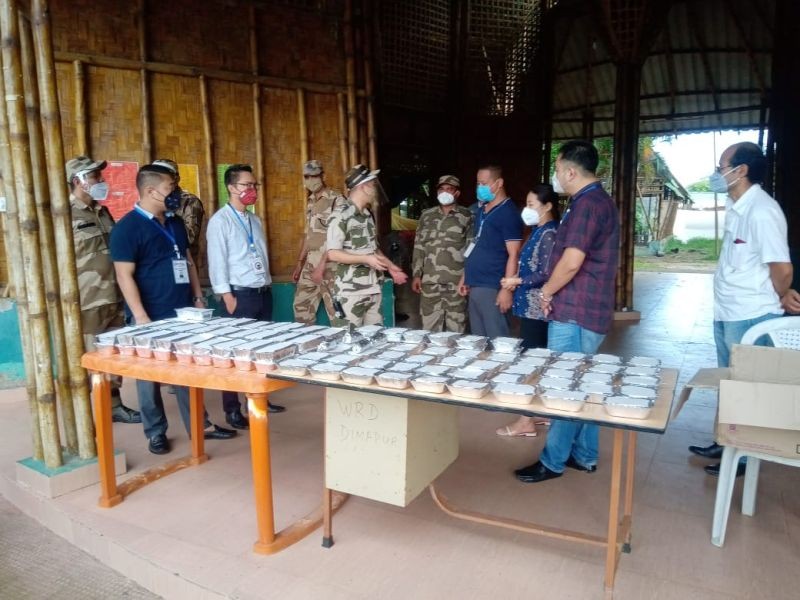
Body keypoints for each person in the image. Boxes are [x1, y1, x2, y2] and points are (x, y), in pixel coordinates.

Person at [110, 163, 236, 455]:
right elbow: (123, 275)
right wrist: (140, 317)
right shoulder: (127, 228)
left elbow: (188, 261)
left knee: (186, 372)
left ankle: (199, 426)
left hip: (183, 314)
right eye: (170, 187)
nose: (176, 192)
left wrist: (197, 297)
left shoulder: (175, 222)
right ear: (151, 191)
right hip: (148, 317)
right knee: (148, 378)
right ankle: (155, 432)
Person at [514, 140, 620, 483]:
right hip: (588, 311)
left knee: (564, 389)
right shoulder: (594, 202)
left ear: (571, 171)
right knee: (584, 384)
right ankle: (585, 455)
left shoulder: (588, 205)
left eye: (558, 170)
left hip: (576, 313)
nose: (556, 177)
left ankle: (553, 461)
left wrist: (546, 291)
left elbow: (572, 262)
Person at [687, 142, 793, 476]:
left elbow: (782, 267)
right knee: (730, 381)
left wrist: (783, 294)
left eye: (721, 167)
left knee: (748, 386)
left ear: (741, 170)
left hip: (751, 314)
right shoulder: (738, 207)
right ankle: (725, 441)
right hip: (729, 311)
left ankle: (744, 455)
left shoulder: (762, 210)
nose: (717, 174)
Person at [206, 164, 285, 427]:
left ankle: (259, 396)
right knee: (234, 352)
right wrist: (226, 296)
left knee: (262, 350)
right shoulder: (221, 221)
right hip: (239, 295)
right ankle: (231, 408)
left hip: (262, 292)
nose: (251, 190)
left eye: (254, 185)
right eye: (246, 185)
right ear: (231, 187)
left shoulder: (254, 219)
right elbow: (217, 261)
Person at [66, 155, 141, 424]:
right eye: (95, 176)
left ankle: (114, 405)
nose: (101, 181)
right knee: (88, 360)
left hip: (113, 296)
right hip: (87, 300)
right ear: (79, 181)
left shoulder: (103, 211)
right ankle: (86, 417)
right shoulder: (63, 216)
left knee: (112, 357)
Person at [496, 183, 560, 437]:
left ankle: (526, 421)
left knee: (531, 361)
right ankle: (541, 412)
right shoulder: (539, 230)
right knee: (539, 359)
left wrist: (516, 281)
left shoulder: (549, 233)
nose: (527, 209)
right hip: (531, 306)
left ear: (548, 206)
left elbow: (546, 273)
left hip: (537, 307)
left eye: (532, 205)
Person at [326, 164, 407, 326]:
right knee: (348, 342)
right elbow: (332, 253)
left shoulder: (367, 215)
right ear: (363, 186)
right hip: (350, 293)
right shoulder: (340, 215)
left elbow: (373, 248)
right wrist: (366, 259)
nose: (375, 189)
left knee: (375, 340)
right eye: (372, 184)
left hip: (373, 290)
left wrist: (391, 267)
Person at [457, 165, 522, 337]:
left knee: (497, 338)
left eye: (484, 183)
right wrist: (466, 276)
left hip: (493, 285)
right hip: (476, 284)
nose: (480, 187)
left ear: (499, 183)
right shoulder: (482, 211)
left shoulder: (508, 213)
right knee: (479, 339)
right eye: (478, 183)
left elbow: (514, 254)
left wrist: (507, 290)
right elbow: (476, 245)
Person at [411, 175, 473, 332]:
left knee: (457, 329)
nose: (445, 192)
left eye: (449, 189)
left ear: (457, 193)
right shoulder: (427, 216)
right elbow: (419, 246)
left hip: (456, 283)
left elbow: (471, 249)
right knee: (429, 329)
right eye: (441, 189)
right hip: (430, 282)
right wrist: (417, 274)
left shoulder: (467, 216)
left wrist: (468, 277)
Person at [292, 159, 347, 324]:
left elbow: (341, 237)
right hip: (310, 265)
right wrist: (299, 263)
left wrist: (322, 265)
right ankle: (308, 345)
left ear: (323, 175)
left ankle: (345, 346)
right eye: (306, 177)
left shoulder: (337, 200)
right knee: (301, 308)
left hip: (331, 268)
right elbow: (308, 235)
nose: (310, 180)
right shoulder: (310, 202)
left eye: (314, 176)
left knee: (338, 315)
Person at [151, 159, 206, 270]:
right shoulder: (151, 200)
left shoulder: (189, 201)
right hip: (156, 265)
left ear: (176, 179)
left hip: (183, 265)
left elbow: (189, 239)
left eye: (166, 175)